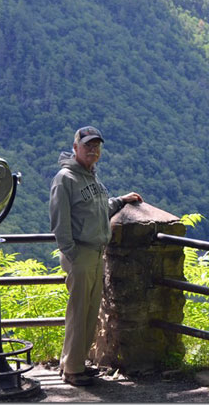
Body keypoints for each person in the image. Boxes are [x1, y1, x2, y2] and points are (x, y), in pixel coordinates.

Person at [49, 126, 142, 386]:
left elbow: (100, 209)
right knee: (79, 312)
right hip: (81, 254)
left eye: (96, 146)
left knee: (90, 312)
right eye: (87, 145)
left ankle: (76, 364)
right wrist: (73, 254)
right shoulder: (65, 178)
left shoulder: (91, 178)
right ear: (75, 148)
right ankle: (71, 369)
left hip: (96, 252)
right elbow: (59, 221)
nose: (92, 149)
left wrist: (121, 200)